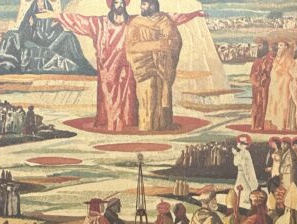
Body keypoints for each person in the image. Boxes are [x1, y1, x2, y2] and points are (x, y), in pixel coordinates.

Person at [44, 0, 201, 131]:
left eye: (121, 3)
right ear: (111, 5)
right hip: (108, 69)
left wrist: (192, 15)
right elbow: (79, 20)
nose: (119, 5)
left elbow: (163, 18)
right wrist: (56, 16)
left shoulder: (134, 21)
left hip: (128, 67)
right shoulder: (100, 23)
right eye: (116, 3)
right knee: (109, 98)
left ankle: (129, 122)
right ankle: (110, 123)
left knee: (129, 97)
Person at [0, 0, 95, 75]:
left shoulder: (51, 16)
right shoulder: (31, 16)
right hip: (33, 48)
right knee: (11, 35)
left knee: (69, 36)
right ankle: (4, 64)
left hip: (50, 47)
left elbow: (54, 36)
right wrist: (29, 26)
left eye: (42, 1)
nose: (40, 4)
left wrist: (54, 25)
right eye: (38, 1)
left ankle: (80, 64)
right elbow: (24, 35)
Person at [125, 0, 184, 131]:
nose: (141, 6)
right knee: (148, 99)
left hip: (163, 67)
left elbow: (176, 42)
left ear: (153, 5)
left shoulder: (165, 21)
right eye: (142, 3)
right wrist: (158, 45)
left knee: (163, 97)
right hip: (144, 67)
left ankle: (164, 126)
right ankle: (147, 128)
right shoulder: (136, 23)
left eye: (144, 4)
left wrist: (167, 45)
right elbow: (131, 46)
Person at [265, 41, 294, 130]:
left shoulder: (288, 59)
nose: (279, 47)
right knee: (275, 104)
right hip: (276, 86)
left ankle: (282, 125)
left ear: (286, 47)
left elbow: (288, 73)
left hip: (283, 86)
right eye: (278, 46)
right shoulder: (277, 58)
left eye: (281, 45)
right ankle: (276, 124)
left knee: (283, 105)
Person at [250, 41, 274, 131]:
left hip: (263, 87)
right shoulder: (258, 60)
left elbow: (266, 73)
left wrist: (259, 81)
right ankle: (255, 125)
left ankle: (260, 125)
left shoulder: (268, 59)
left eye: (260, 46)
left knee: (262, 105)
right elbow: (253, 73)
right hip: (256, 87)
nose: (258, 48)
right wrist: (254, 80)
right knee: (256, 105)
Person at [232, 134, 258, 209]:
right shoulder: (239, 152)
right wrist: (236, 154)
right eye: (240, 143)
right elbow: (235, 163)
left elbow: (245, 163)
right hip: (240, 173)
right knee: (238, 188)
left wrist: (237, 155)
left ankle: (246, 203)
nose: (241, 145)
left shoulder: (246, 153)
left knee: (246, 188)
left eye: (243, 144)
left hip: (246, 173)